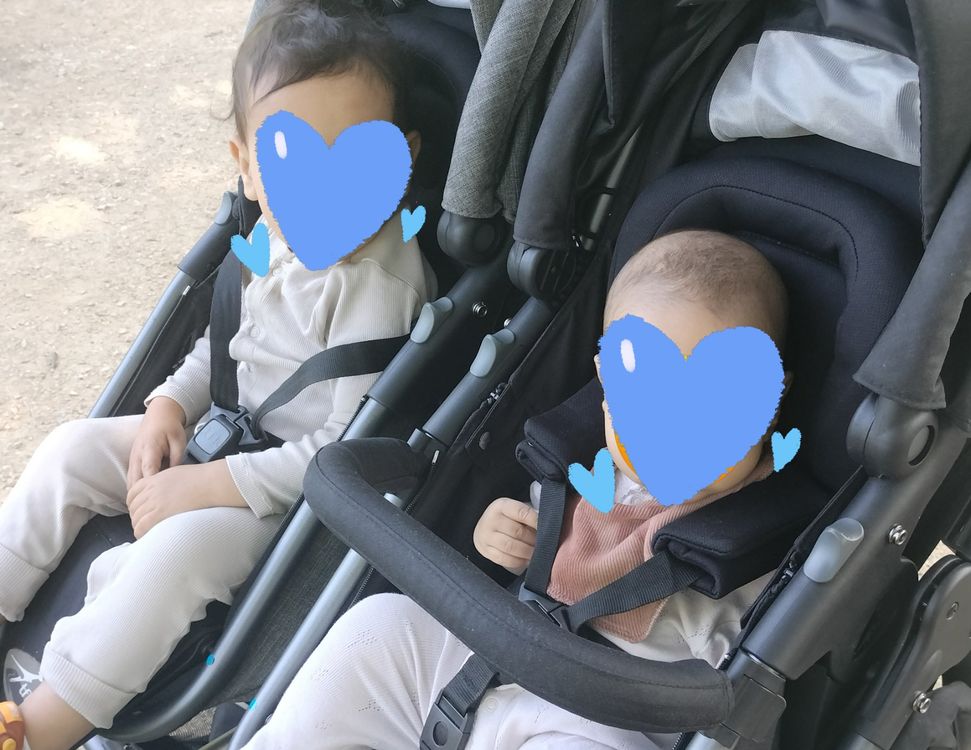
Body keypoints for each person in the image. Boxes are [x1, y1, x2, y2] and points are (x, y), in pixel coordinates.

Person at [0, 2, 436, 748]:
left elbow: (339, 453)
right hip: (222, 430)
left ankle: (41, 726)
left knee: (174, 556)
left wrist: (207, 486)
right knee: (72, 447)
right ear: (248, 166)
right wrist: (170, 404)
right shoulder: (271, 233)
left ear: (402, 157)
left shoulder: (376, 288)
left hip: (284, 501)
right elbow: (225, 342)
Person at [240, 229, 791, 749]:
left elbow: (733, 671)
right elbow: (529, 549)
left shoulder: (751, 536)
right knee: (376, 625)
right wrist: (497, 535)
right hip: (494, 660)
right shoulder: (576, 466)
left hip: (604, 720)